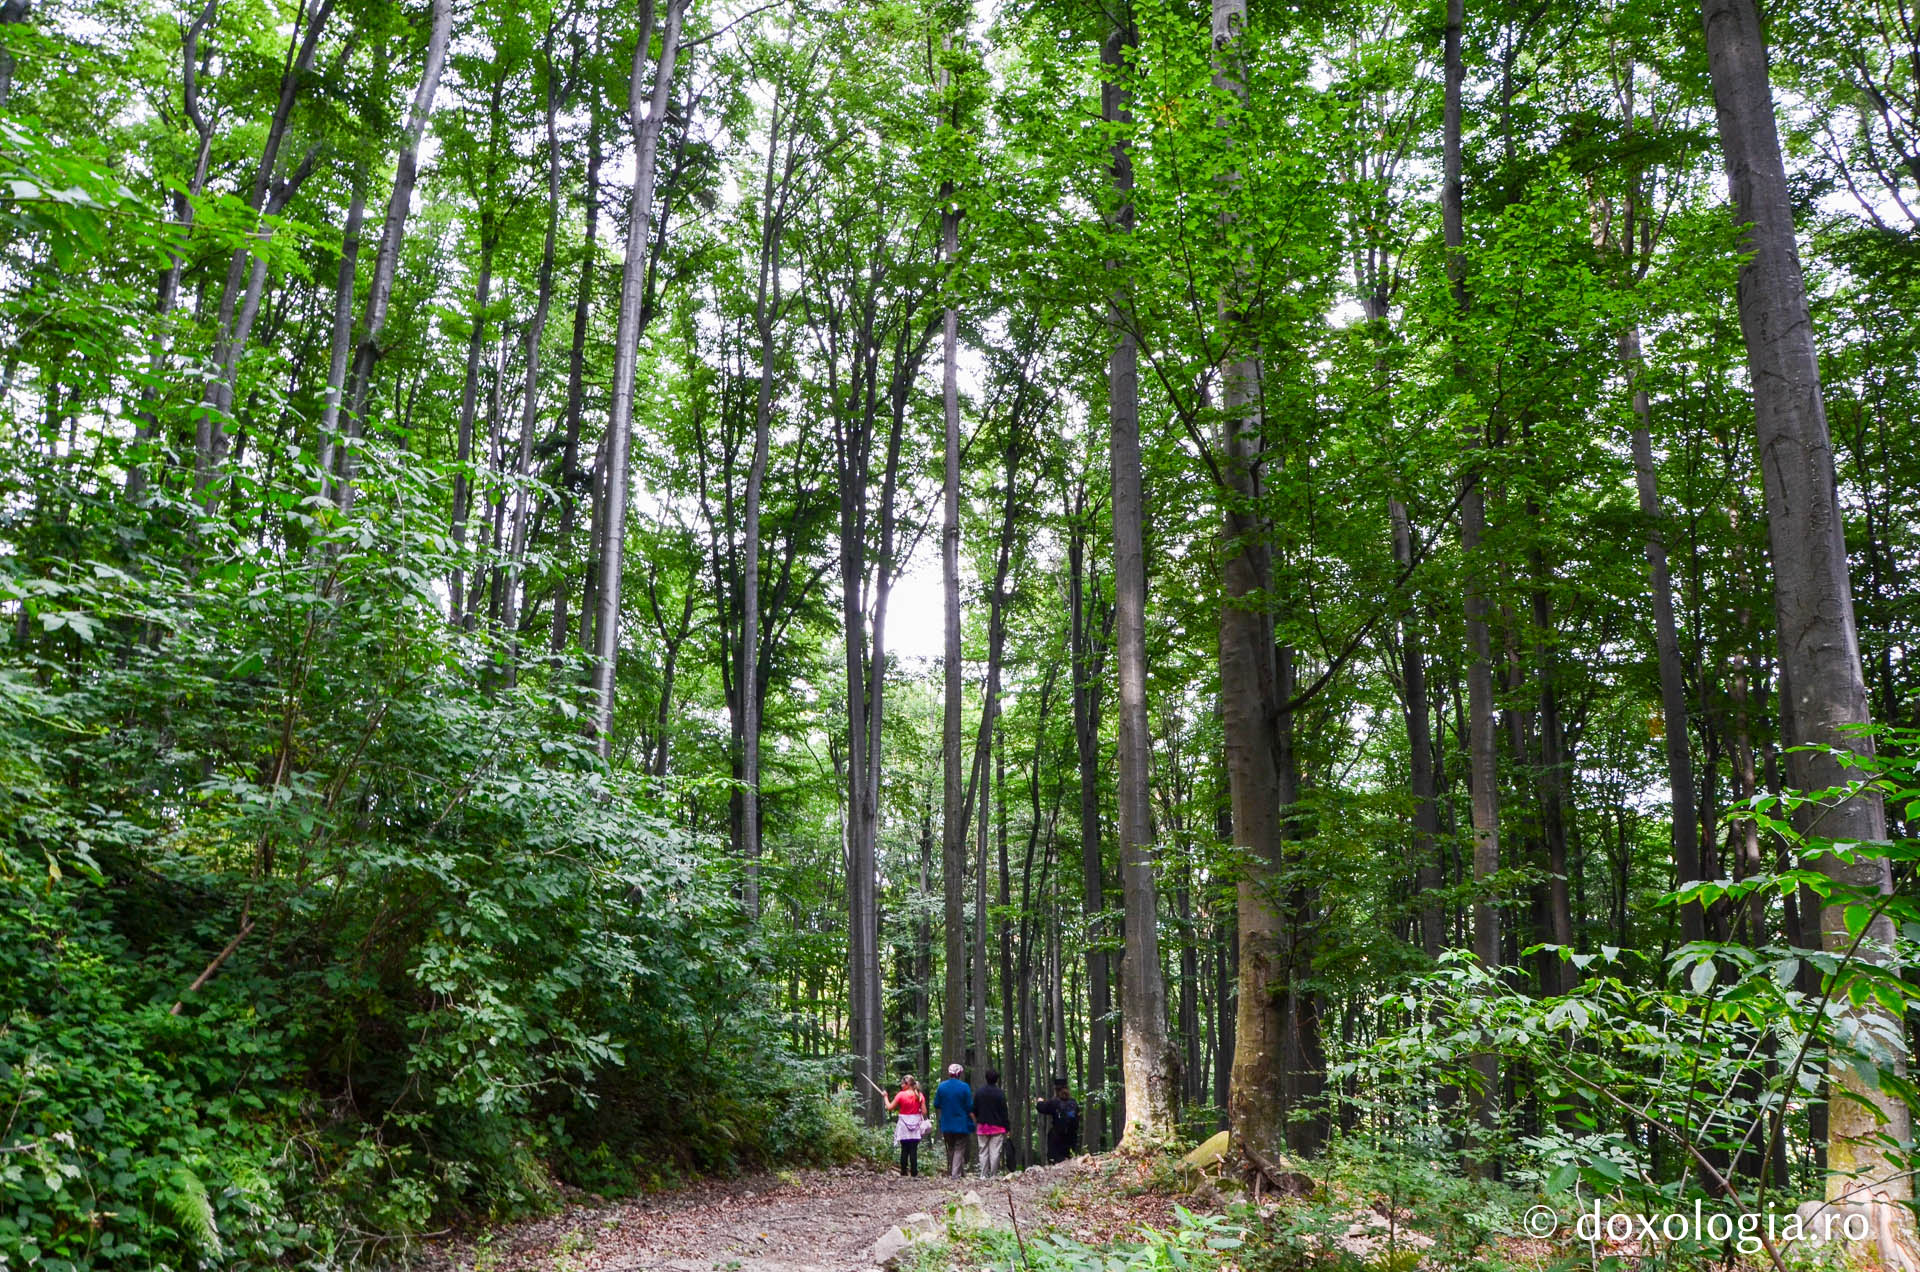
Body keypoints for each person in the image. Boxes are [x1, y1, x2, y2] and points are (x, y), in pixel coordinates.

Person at [933, 1062, 974, 1178]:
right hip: (961, 1123)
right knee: (959, 1148)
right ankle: (955, 1175)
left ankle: (960, 1173)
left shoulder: (941, 1086)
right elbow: (969, 1106)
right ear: (959, 1073)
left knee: (951, 1148)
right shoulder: (964, 1087)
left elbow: (936, 1104)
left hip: (946, 1123)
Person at [887, 1075, 927, 1177]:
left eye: (902, 1083)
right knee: (914, 1149)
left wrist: (885, 1097)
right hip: (916, 1124)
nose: (901, 1085)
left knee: (904, 1149)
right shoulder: (919, 1095)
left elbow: (890, 1107)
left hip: (904, 1125)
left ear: (907, 1084)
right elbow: (924, 1111)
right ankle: (914, 1172)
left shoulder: (901, 1095)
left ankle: (903, 1172)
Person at [973, 1069, 1010, 1178]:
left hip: (982, 1127)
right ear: (997, 1079)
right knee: (995, 1152)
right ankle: (993, 1175)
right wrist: (1007, 1127)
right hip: (997, 1127)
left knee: (983, 1151)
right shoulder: (1000, 1093)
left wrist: (978, 1120)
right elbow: (1004, 1112)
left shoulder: (979, 1092)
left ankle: (983, 1175)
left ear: (986, 1078)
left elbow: (974, 1109)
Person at [1034, 1077, 1079, 1165]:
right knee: (1069, 1159)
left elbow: (1041, 1108)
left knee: (1056, 1159)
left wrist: (1039, 1101)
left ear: (1056, 1090)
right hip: (1072, 1138)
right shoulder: (1074, 1102)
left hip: (1058, 1138)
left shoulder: (1054, 1102)